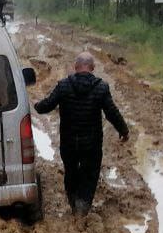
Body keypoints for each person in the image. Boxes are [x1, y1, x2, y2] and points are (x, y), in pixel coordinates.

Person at [34, 52, 129, 215]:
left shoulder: (63, 86)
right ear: (92, 68)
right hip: (91, 144)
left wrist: (35, 105)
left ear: (75, 67)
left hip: (69, 143)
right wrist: (123, 130)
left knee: (70, 172)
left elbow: (47, 106)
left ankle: (73, 203)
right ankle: (82, 205)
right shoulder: (101, 87)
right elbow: (111, 112)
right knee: (90, 174)